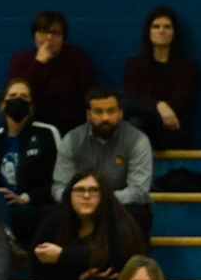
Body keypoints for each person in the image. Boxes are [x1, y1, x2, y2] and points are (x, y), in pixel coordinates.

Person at [0, 170, 146, 280]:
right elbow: (39, 270)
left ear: (104, 195)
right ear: (70, 194)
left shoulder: (117, 221)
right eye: (79, 190)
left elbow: (114, 260)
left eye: (94, 190)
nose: (86, 196)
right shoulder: (55, 220)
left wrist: (62, 256)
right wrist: (78, 277)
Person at [52, 87, 153, 230]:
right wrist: (82, 201)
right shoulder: (72, 139)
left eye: (111, 111)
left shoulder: (137, 141)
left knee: (138, 213)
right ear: (88, 115)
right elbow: (59, 186)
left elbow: (138, 191)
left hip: (120, 208)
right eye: (99, 112)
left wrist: (99, 200)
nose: (105, 118)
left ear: (120, 113)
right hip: (80, 207)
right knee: (52, 215)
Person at [0, 79, 60, 248]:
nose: (18, 100)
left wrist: (25, 197)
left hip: (34, 206)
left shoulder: (47, 133)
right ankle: (7, 239)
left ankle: (3, 242)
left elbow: (60, 180)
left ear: (31, 106)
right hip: (1, 205)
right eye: (13, 96)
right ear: (2, 105)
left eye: (24, 97)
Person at [121, 6, 201, 151]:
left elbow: (177, 107)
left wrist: (148, 106)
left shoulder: (188, 67)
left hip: (172, 130)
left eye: (167, 27)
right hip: (143, 127)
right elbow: (132, 99)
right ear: (148, 32)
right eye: (156, 26)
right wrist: (159, 105)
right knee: (132, 120)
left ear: (174, 32)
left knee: (134, 117)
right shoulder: (134, 65)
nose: (161, 31)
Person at [5, 10, 97, 133]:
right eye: (43, 32)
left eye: (55, 33)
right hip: (32, 122)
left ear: (63, 38)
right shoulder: (21, 59)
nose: (49, 38)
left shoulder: (75, 57)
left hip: (69, 123)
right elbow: (19, 94)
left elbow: (89, 92)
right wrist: (39, 63)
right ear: (35, 36)